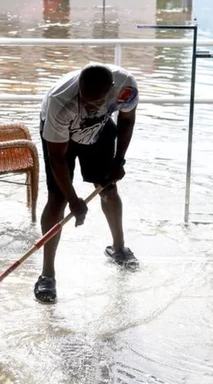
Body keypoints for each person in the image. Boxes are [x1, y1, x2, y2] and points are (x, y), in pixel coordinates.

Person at [35, 63, 139, 304]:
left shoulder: (126, 88)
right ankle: (47, 274)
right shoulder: (60, 103)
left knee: (108, 189)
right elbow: (57, 159)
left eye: (95, 102)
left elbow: (126, 121)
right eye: (85, 100)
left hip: (99, 129)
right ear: (79, 89)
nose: (89, 106)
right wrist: (73, 200)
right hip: (61, 137)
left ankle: (119, 248)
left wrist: (119, 160)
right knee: (57, 199)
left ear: (111, 90)